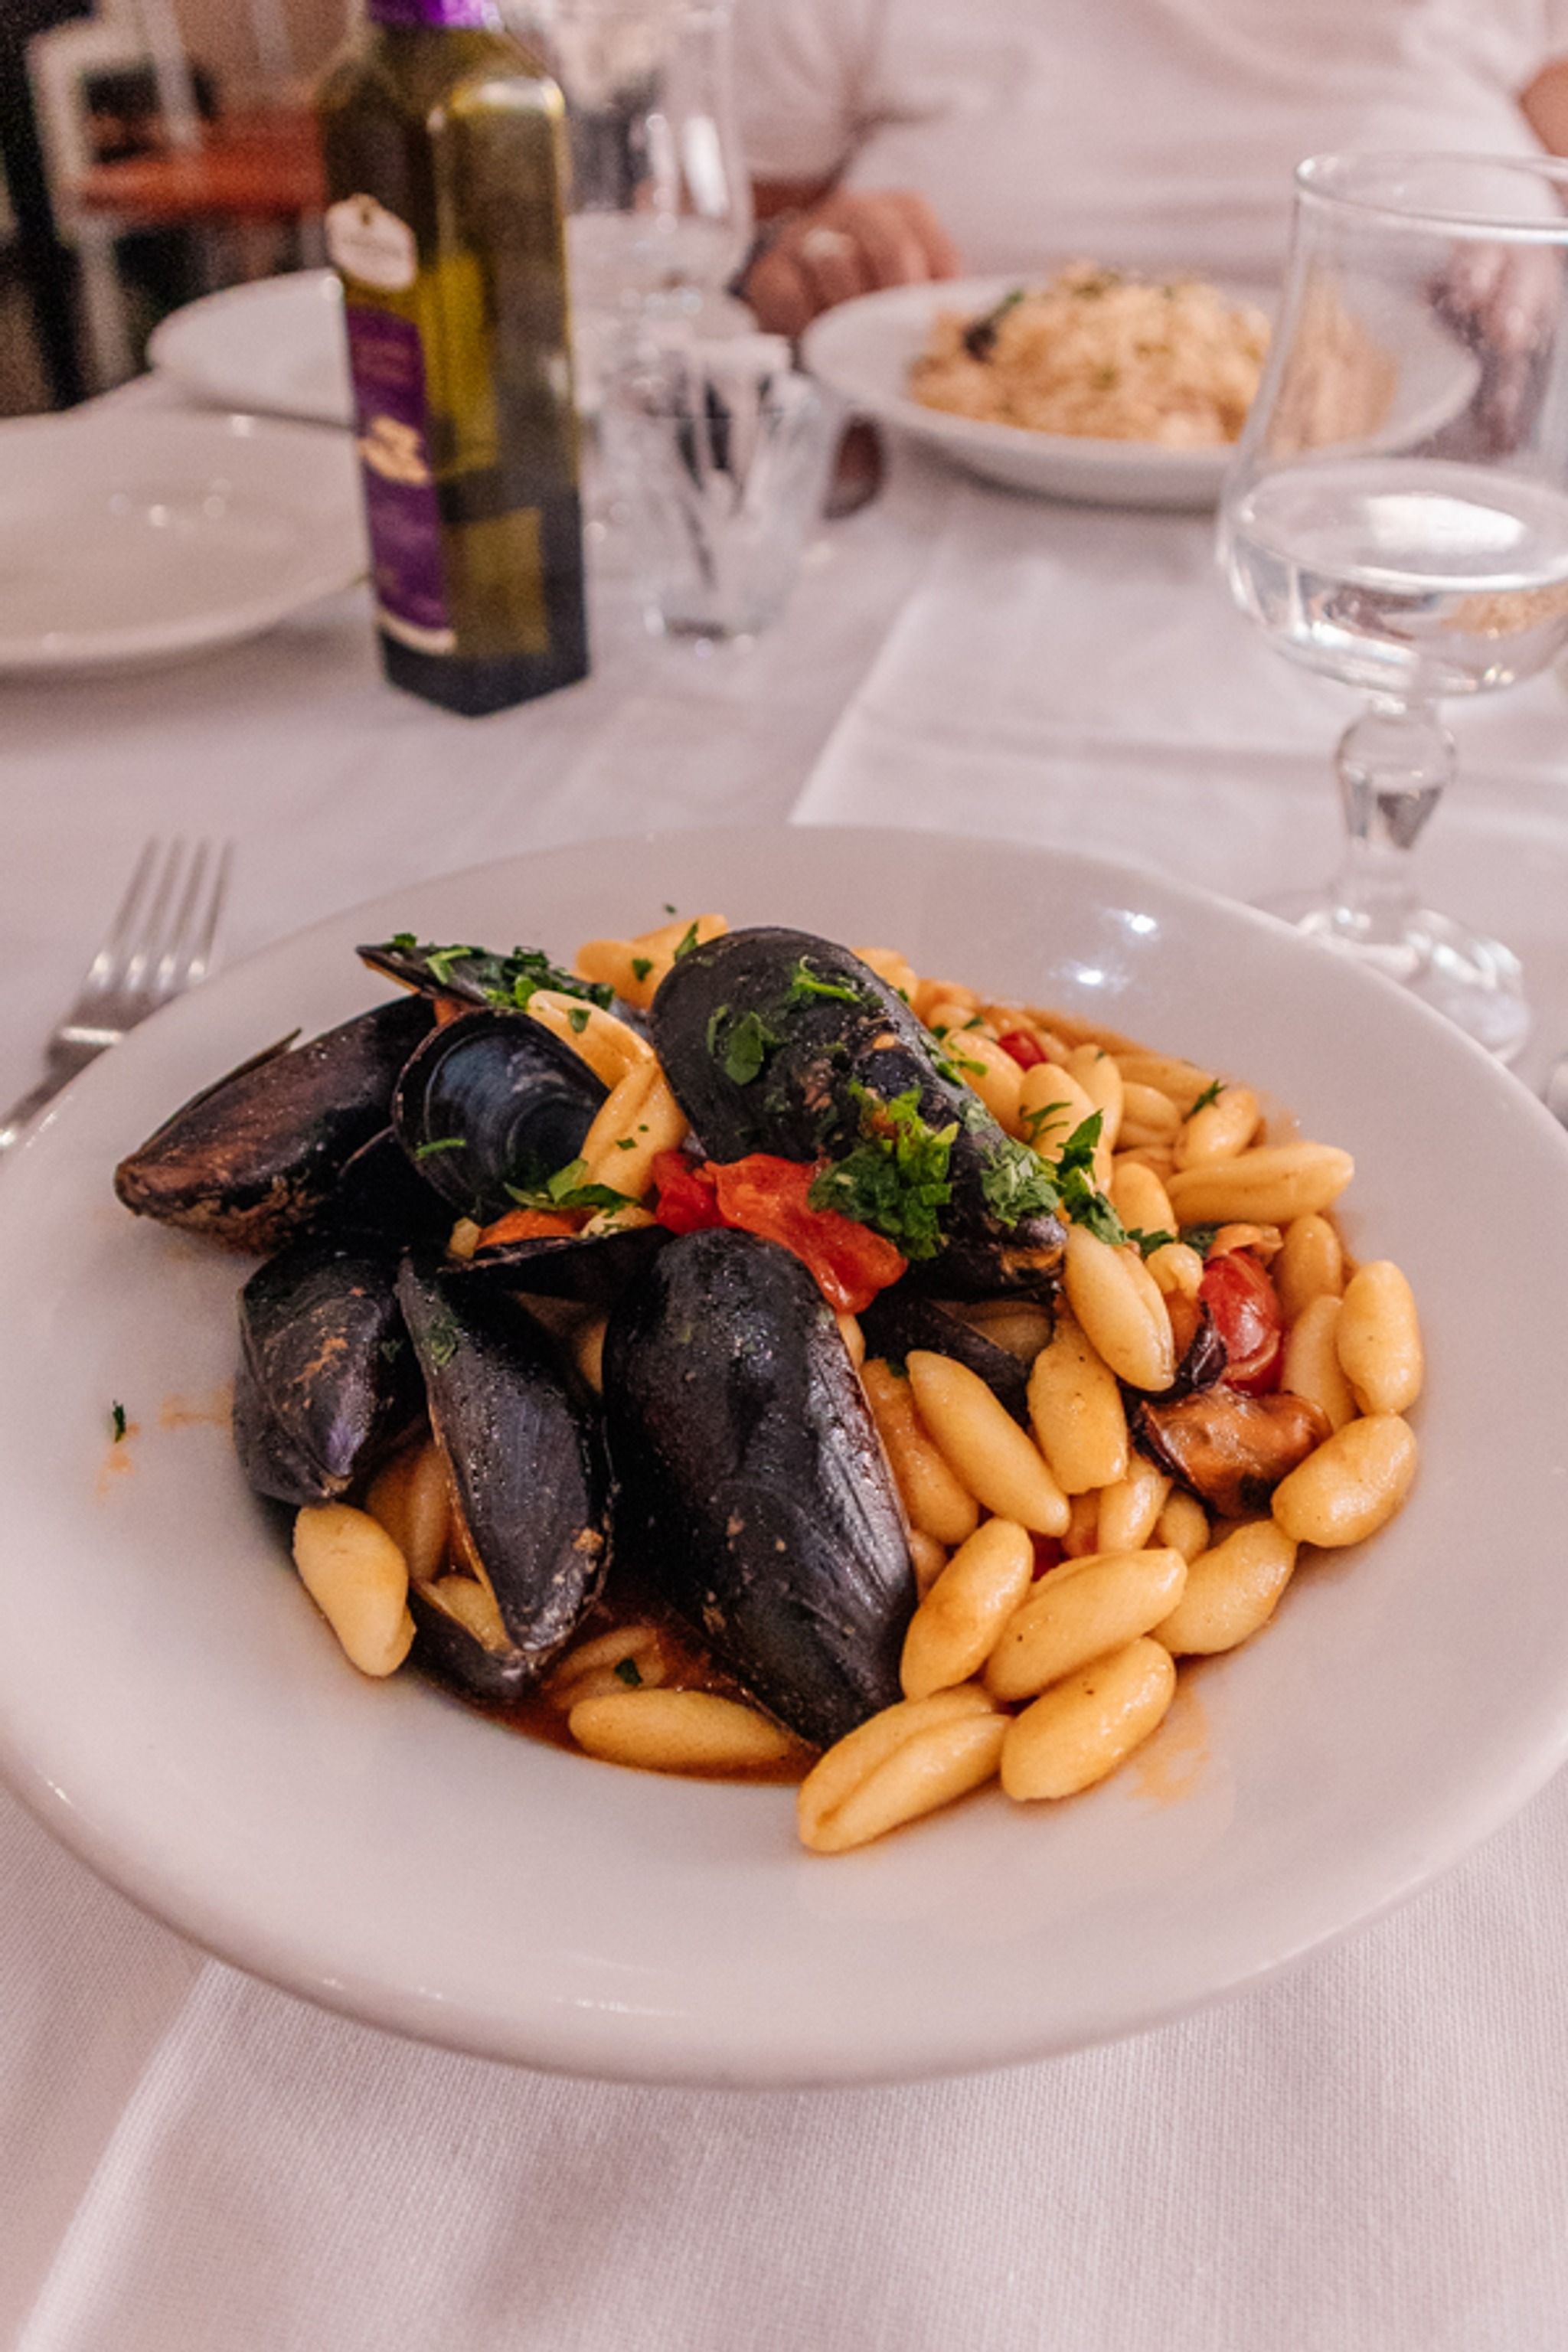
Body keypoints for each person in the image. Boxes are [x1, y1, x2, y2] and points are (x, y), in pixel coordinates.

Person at [733, 0, 1568, 336]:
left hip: (1428, 574)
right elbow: (722, 266)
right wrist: (795, 261)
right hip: (918, 570)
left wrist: (1541, 264)